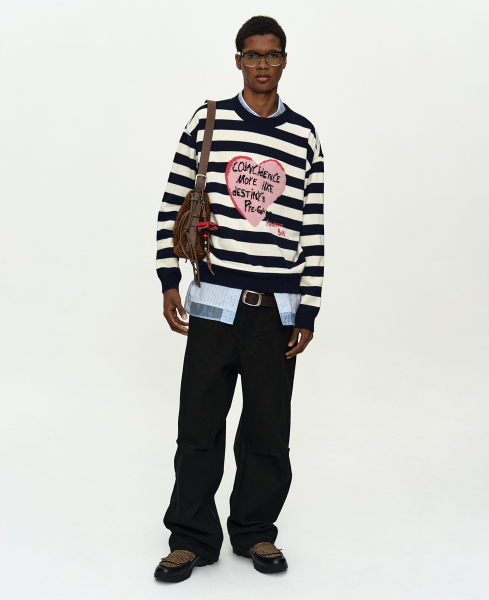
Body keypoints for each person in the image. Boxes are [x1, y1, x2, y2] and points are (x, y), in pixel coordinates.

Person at [154, 15, 325, 583]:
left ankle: (255, 531)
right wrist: (169, 280)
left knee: (268, 431)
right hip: (213, 304)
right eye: (252, 55)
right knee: (199, 426)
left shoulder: (304, 137)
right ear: (238, 61)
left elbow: (312, 227)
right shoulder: (207, 122)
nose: (262, 65)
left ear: (284, 60)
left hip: (278, 310)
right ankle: (191, 538)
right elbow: (172, 204)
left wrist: (309, 307)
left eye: (272, 55)